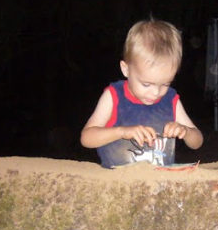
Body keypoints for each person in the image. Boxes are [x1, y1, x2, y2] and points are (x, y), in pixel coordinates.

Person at [81, 19, 203, 168]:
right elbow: (87, 138)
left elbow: (197, 142)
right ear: (126, 69)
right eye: (146, 84)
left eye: (165, 84)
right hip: (117, 185)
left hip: (160, 184)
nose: (156, 92)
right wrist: (121, 132)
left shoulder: (171, 99)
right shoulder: (114, 96)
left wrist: (185, 131)